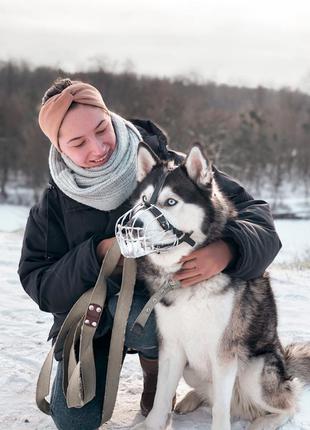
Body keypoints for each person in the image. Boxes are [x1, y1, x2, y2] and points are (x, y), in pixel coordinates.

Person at [18, 78, 282, 430]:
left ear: (111, 117)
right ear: (60, 147)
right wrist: (97, 254)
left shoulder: (168, 169)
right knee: (73, 422)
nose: (98, 148)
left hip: (156, 315)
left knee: (147, 320)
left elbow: (259, 218)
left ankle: (156, 381)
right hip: (91, 324)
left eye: (102, 129)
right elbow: (39, 282)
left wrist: (228, 248)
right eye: (78, 143)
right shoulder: (54, 206)